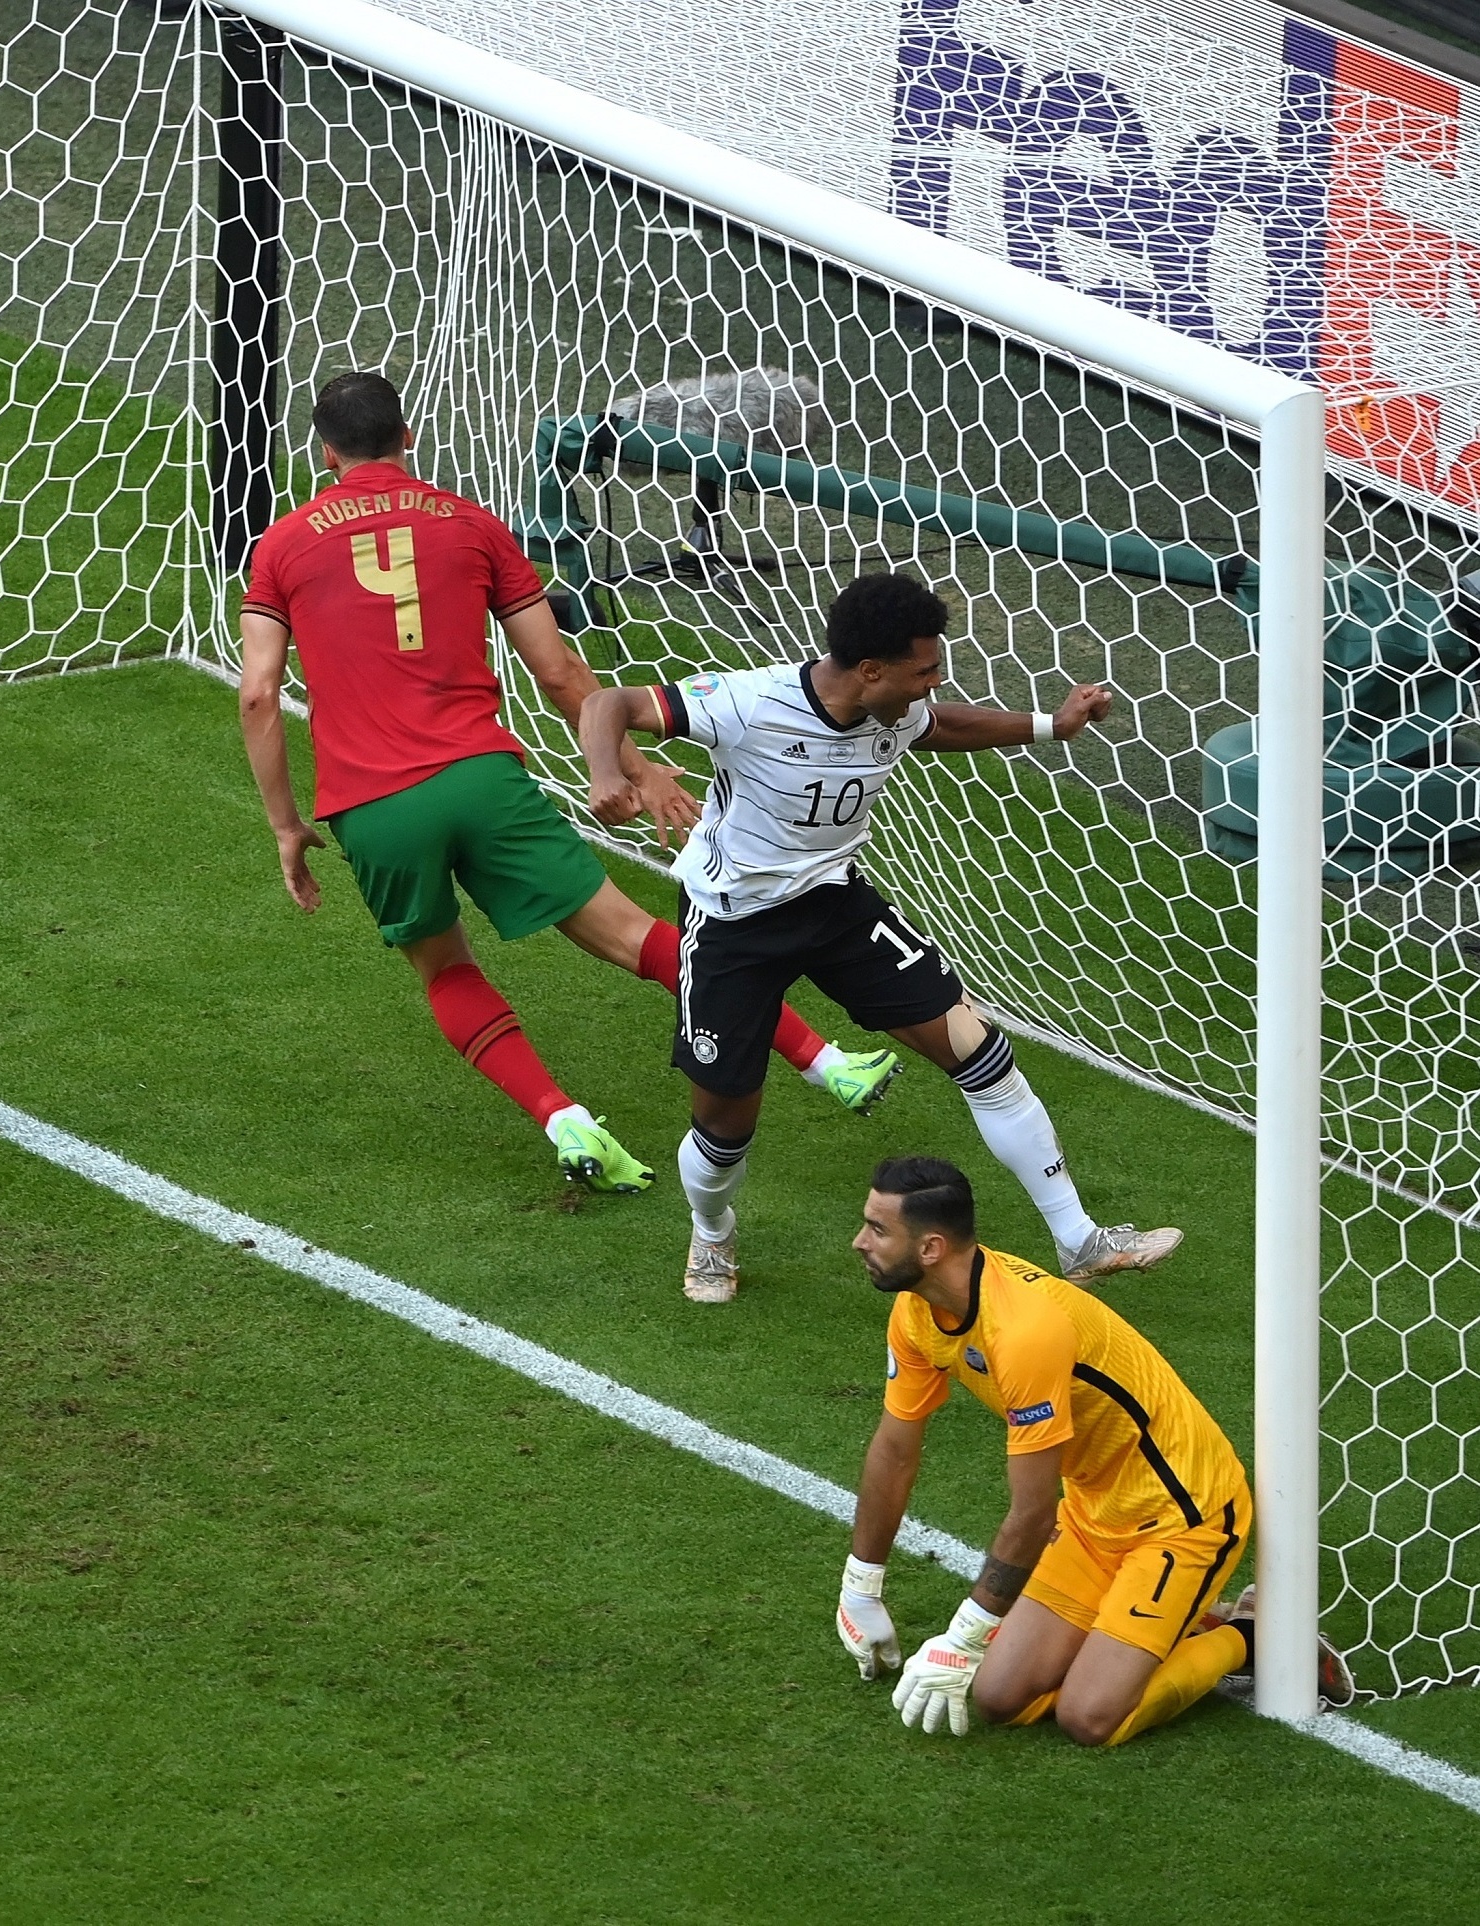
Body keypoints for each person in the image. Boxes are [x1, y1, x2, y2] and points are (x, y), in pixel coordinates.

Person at [238, 371, 899, 1194]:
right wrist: (635, 763)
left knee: (445, 970)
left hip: (376, 806)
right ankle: (827, 1060)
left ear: (325, 450)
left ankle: (565, 1119)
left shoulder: (282, 545)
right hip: (483, 780)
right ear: (408, 436)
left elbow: (260, 692)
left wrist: (285, 825)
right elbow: (556, 672)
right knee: (637, 934)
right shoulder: (473, 525)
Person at [579, 569, 1179, 1301]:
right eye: (924, 669)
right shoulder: (748, 702)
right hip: (733, 922)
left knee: (978, 1051)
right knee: (725, 1121)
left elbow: (947, 725)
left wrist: (1053, 725)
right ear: (871, 669)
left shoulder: (896, 709)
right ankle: (712, 1230)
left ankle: (1080, 1241)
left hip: (835, 906)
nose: (932, 683)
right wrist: (605, 771)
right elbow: (612, 702)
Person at [836, 1156, 1352, 1744]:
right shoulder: (916, 1311)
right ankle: (1156, 1628)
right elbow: (894, 1452)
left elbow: (1031, 1514)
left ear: (930, 1248)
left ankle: (1256, 1636)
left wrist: (963, 1638)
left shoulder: (1025, 1333)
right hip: (1094, 1513)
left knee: (1090, 1717)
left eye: (877, 1229)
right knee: (1001, 1698)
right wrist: (861, 1584)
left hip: (1183, 1514)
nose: (859, 1242)